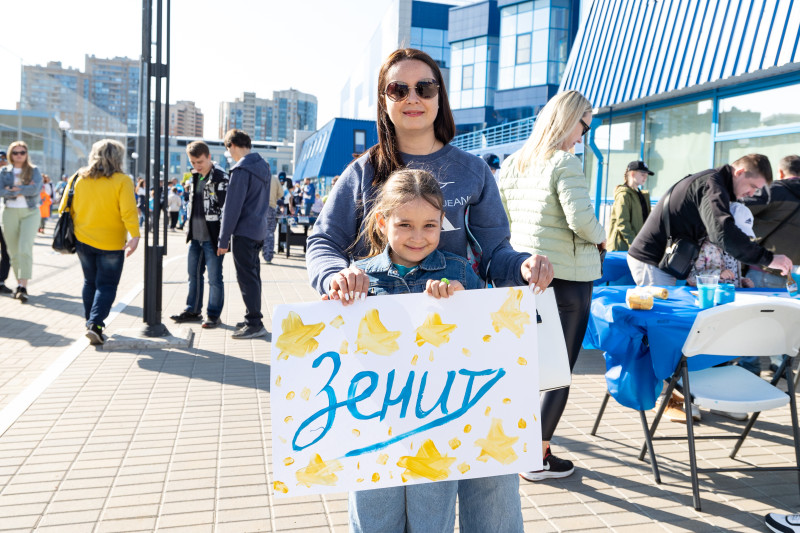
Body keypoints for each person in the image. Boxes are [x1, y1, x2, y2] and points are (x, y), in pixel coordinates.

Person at [306, 47, 553, 533]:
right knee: (381, 484)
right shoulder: (362, 172)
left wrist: (524, 265)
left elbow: (497, 252)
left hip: (468, 354)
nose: (413, 97)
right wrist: (336, 275)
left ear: (441, 96)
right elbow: (323, 242)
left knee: (490, 478)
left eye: (425, 87)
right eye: (399, 89)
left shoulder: (474, 170)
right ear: (384, 100)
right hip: (384, 370)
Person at [347, 168, 484, 531]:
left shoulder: (461, 274)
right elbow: (339, 346)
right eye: (404, 224)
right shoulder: (358, 276)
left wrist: (463, 304)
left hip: (438, 426)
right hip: (373, 426)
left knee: (432, 520)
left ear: (443, 223)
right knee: (374, 519)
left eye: (430, 226)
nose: (418, 237)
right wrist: (340, 294)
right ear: (381, 222)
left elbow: (490, 339)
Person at [498, 90, 606, 482]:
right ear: (568, 120)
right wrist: (603, 235)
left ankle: (519, 443)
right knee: (558, 371)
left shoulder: (513, 164)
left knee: (529, 367)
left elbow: (503, 222)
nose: (584, 134)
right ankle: (537, 455)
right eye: (584, 124)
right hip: (569, 279)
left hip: (527, 275)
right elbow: (582, 222)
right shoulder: (565, 162)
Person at [627, 154, 793, 286]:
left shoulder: (717, 184)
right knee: (662, 321)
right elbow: (722, 233)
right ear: (740, 172)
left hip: (670, 261)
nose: (751, 194)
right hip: (652, 260)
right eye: (752, 187)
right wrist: (769, 259)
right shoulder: (712, 185)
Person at [59, 139, 139, 345]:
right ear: (118, 157)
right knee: (107, 284)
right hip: (112, 242)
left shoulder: (78, 177)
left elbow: (63, 208)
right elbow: (128, 211)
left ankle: (90, 323)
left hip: (83, 239)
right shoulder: (122, 180)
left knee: (90, 282)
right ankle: (95, 324)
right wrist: (135, 236)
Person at [170, 141, 229, 329]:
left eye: (200, 162)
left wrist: (224, 239)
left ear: (209, 157)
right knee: (193, 275)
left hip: (213, 239)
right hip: (195, 237)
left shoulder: (221, 177)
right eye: (193, 162)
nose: (196, 166)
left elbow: (227, 211)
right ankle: (193, 310)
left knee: (214, 278)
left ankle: (213, 315)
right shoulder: (194, 177)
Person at [218, 129, 270, 339]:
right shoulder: (263, 167)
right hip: (259, 229)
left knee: (246, 278)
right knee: (253, 276)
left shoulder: (241, 170)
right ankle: (252, 316)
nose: (228, 154)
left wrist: (223, 240)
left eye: (227, 149)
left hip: (243, 231)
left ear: (231, 145)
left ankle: (254, 322)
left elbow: (232, 208)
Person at [742, 154, 800, 288]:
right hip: (795, 277)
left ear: (780, 172)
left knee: (756, 310)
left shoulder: (773, 191)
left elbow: (736, 211)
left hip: (763, 272)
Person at [0, 141, 44, 302]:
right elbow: (0, 190)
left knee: (24, 247)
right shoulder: (4, 171)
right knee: (12, 251)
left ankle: (23, 286)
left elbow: (35, 189)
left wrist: (12, 189)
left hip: (30, 212)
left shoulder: (34, 170)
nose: (19, 156)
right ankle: (18, 283)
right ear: (10, 155)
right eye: (15, 153)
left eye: (22, 152)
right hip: (9, 212)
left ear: (26, 154)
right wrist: (23, 189)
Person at [607, 161, 653, 251]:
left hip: (636, 247)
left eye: (647, 175)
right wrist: (635, 245)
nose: (645, 177)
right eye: (642, 174)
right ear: (632, 174)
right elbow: (622, 223)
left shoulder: (641, 195)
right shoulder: (623, 195)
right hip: (622, 248)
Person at [262, 170, 281, 264]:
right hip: (271, 207)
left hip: (258, 208)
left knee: (257, 230)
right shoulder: (275, 179)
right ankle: (268, 256)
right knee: (270, 231)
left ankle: (256, 255)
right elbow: (281, 193)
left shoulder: (258, 177)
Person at [0, 150, 11, 295]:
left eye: (4, 159)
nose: (2, 161)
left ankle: (1, 280)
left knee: (6, 252)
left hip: (6, 218)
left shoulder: (10, 177)